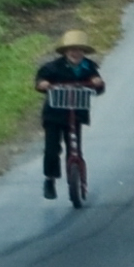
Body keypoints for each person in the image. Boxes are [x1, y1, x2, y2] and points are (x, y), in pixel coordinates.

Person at [35, 30, 105, 199]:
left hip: (76, 113)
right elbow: (40, 81)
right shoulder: (53, 67)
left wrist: (97, 83)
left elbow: (99, 87)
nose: (75, 53)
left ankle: (77, 179)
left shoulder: (89, 67)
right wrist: (44, 84)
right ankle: (50, 179)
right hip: (55, 114)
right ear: (65, 52)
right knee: (52, 149)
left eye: (79, 50)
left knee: (74, 147)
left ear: (84, 52)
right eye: (71, 50)